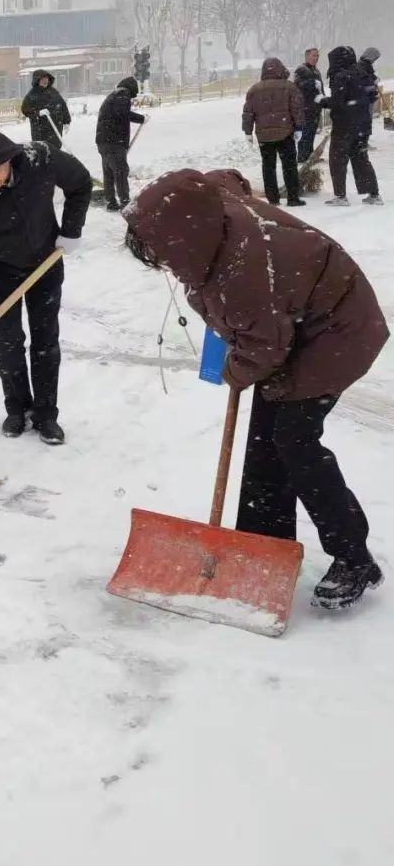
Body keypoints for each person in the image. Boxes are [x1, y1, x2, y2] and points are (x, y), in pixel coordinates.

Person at [124, 168, 387, 611]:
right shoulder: (211, 213)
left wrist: (234, 371)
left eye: (164, 255)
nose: (165, 265)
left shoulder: (240, 275)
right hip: (299, 318)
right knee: (267, 438)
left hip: (336, 333)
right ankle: (264, 541)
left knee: (293, 440)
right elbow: (227, 180)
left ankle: (355, 557)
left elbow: (264, 348)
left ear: (185, 240)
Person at [0, 125, 92, 442]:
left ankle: (46, 415)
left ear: (8, 158)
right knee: (8, 341)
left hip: (45, 261)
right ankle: (16, 410)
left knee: (45, 341)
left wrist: (71, 230)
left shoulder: (39, 158)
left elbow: (81, 183)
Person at [241, 56, 306, 207]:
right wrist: (299, 128)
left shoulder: (254, 90)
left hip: (264, 135)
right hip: (286, 133)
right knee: (289, 165)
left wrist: (248, 131)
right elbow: (297, 110)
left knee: (268, 167)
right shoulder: (289, 87)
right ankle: (293, 197)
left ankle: (273, 199)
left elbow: (248, 113)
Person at [323, 46, 382, 206]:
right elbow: (372, 96)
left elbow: (336, 102)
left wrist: (321, 101)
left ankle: (340, 196)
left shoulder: (340, 77)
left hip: (344, 126)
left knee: (337, 160)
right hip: (363, 125)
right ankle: (374, 194)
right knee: (361, 159)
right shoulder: (363, 73)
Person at [95, 77, 145, 211]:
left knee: (109, 172)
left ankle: (111, 202)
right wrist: (141, 118)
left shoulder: (114, 95)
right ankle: (125, 201)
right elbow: (122, 113)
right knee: (120, 171)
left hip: (103, 140)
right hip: (114, 141)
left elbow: (119, 113)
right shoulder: (123, 93)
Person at [20, 68, 71, 151]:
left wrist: (66, 121)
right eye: (42, 79)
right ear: (37, 80)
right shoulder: (32, 95)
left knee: (56, 150)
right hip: (40, 130)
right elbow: (25, 110)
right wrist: (38, 113)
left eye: (46, 78)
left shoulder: (53, 92)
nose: (45, 81)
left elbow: (63, 106)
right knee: (43, 151)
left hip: (56, 128)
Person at [293, 47, 324, 163]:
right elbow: (299, 86)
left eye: (317, 56)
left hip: (315, 109)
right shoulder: (301, 70)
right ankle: (302, 158)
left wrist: (323, 99)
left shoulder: (316, 71)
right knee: (305, 136)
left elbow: (319, 89)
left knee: (311, 135)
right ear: (307, 57)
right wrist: (312, 83)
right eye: (314, 56)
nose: (316, 58)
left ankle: (310, 157)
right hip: (305, 109)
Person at [359, 47, 382, 141]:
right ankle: (363, 141)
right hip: (366, 97)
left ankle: (364, 139)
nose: (375, 59)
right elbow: (366, 78)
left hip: (368, 96)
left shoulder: (364, 64)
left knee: (366, 119)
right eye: (375, 57)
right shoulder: (363, 65)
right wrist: (374, 80)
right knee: (366, 119)